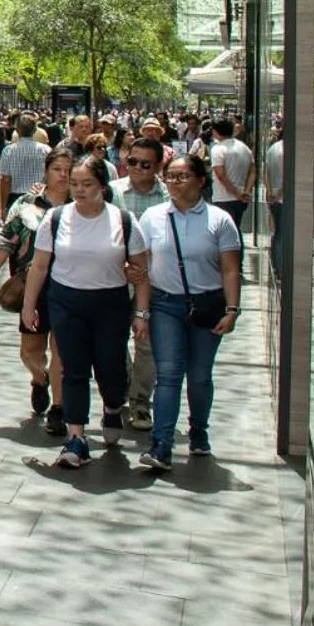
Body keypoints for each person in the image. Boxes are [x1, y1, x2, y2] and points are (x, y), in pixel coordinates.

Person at [22, 156, 149, 468]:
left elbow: (142, 272)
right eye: (74, 183)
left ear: (102, 186)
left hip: (110, 303)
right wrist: (28, 306)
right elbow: (39, 266)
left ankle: (112, 408)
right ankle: (76, 436)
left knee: (110, 367)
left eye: (86, 184)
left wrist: (141, 313)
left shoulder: (123, 220)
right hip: (66, 302)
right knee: (73, 369)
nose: (78, 189)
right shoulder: (55, 218)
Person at [136, 153, 243, 471]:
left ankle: (199, 432)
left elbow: (230, 270)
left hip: (207, 305)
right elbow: (143, 268)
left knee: (198, 376)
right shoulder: (153, 217)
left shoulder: (220, 220)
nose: (174, 182)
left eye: (182, 176)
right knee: (168, 375)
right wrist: (141, 312)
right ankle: (161, 445)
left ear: (200, 180)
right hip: (165, 304)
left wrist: (232, 309)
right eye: (169, 176)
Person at [0, 146, 76, 432]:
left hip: (70, 288)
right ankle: (39, 378)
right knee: (30, 352)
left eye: (69, 170)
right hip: (32, 290)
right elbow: (4, 241)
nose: (63, 175)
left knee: (61, 350)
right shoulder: (25, 204)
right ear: (46, 170)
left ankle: (59, 408)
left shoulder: (82, 206)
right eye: (58, 169)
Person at [113, 135, 170, 429]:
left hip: (154, 280)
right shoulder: (112, 192)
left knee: (145, 342)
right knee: (114, 338)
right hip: (116, 279)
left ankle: (140, 401)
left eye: (144, 164)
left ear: (158, 165)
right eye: (131, 161)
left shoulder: (168, 198)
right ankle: (124, 388)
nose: (135, 168)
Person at [205, 118, 254, 229]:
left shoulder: (218, 149)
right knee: (236, 228)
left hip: (224, 198)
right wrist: (246, 192)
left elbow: (221, 175)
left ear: (216, 131)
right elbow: (252, 171)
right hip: (241, 199)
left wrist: (237, 193)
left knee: (226, 232)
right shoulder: (244, 147)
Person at [0, 115, 47, 220]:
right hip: (38, 198)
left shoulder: (8, 151)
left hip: (15, 199)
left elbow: (6, 180)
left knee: (15, 234)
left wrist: (3, 207)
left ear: (17, 131)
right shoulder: (45, 150)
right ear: (34, 130)